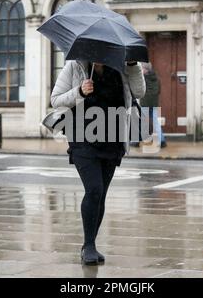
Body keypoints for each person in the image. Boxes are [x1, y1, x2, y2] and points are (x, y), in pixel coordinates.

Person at [50, 60, 146, 265]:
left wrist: (131, 65)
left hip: (112, 136)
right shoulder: (75, 66)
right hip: (82, 136)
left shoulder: (120, 67)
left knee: (101, 194)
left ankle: (90, 244)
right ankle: (89, 245)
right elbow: (56, 100)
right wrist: (80, 92)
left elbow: (139, 92)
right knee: (93, 189)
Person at [139, 62, 167, 148]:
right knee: (155, 122)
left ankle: (136, 141)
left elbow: (139, 90)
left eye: (142, 68)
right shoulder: (157, 78)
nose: (141, 70)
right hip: (154, 104)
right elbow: (158, 91)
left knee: (142, 122)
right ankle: (162, 140)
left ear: (145, 70)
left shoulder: (142, 78)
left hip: (144, 103)